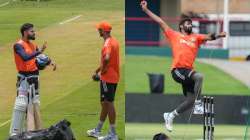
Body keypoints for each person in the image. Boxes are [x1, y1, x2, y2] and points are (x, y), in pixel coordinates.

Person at [140, 0, 226, 132]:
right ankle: (198, 104)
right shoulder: (174, 35)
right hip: (178, 70)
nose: (190, 25)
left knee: (190, 100)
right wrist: (146, 10)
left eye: (191, 23)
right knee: (199, 77)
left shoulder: (196, 38)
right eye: (187, 23)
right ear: (181, 26)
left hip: (188, 72)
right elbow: (160, 22)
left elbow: (209, 37)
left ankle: (170, 115)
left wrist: (219, 35)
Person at [10, 23, 56, 136]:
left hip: (34, 79)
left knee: (34, 105)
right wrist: (39, 51)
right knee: (22, 106)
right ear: (25, 32)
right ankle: (19, 133)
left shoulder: (33, 45)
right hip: (24, 80)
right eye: (32, 31)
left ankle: (35, 132)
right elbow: (25, 57)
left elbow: (39, 57)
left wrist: (50, 62)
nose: (34, 33)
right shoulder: (18, 45)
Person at [87, 21, 120, 140]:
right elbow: (109, 60)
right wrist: (97, 70)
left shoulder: (107, 43)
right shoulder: (114, 41)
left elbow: (106, 58)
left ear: (104, 31)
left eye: (100, 30)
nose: (98, 31)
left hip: (108, 77)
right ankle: (98, 130)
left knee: (109, 103)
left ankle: (113, 134)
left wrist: (103, 70)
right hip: (113, 76)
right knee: (105, 103)